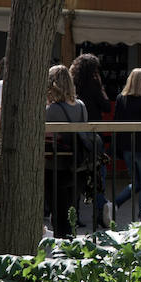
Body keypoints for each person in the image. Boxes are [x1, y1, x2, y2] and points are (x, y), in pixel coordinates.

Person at [44, 64, 88, 238]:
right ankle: (71, 243)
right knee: (71, 208)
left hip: (55, 165)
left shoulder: (52, 110)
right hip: (77, 164)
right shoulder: (81, 106)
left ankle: (60, 247)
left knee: (58, 210)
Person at [113, 68, 141, 219]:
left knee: (136, 183)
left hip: (127, 148)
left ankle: (115, 204)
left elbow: (116, 122)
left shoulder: (121, 99)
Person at [71, 54, 111, 123]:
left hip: (77, 124)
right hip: (93, 125)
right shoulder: (94, 87)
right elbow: (107, 108)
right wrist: (101, 87)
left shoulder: (73, 84)